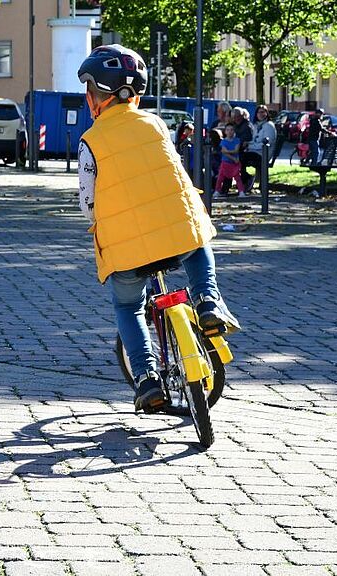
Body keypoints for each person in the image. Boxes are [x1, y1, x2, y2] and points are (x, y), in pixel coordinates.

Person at [76, 44, 241, 414]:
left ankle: (148, 380)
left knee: (128, 307)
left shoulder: (91, 142)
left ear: (95, 96)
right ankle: (207, 301)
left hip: (128, 250)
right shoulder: (156, 124)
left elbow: (87, 203)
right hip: (176, 230)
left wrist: (100, 223)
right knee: (197, 247)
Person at [242, 105, 278, 189]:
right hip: (254, 151)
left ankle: (247, 179)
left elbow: (265, 143)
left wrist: (250, 146)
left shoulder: (269, 126)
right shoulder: (256, 125)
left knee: (241, 158)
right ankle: (245, 179)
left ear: (267, 113)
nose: (261, 114)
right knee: (238, 157)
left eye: (263, 112)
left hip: (263, 153)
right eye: (259, 112)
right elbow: (255, 140)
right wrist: (248, 143)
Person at [213, 124, 246, 199]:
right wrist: (232, 157)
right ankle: (217, 191)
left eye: (231, 130)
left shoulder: (237, 140)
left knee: (238, 177)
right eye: (228, 130)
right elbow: (224, 151)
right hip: (225, 162)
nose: (230, 132)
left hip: (235, 164)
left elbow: (236, 150)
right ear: (225, 131)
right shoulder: (223, 141)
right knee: (220, 178)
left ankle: (241, 191)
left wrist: (228, 152)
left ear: (234, 131)